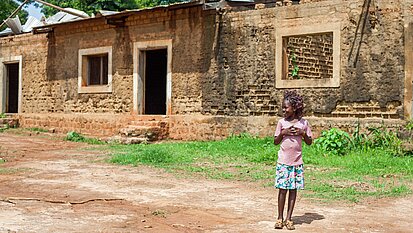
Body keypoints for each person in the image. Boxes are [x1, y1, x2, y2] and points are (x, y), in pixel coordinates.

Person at [273, 90, 312, 230]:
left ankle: (289, 219)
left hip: (296, 162)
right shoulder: (281, 123)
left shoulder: (303, 123)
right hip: (283, 162)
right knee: (282, 190)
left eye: (286, 107)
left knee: (293, 191)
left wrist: (302, 133)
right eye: (283, 107)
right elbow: (275, 141)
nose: (283, 110)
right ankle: (279, 218)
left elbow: (309, 142)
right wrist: (283, 133)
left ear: (294, 108)